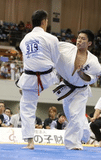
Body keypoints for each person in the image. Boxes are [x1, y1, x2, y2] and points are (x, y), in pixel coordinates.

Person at [16, 10, 60, 149]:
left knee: (27, 109)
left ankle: (30, 142)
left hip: (29, 79)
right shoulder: (51, 38)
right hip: (49, 77)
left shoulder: (24, 41)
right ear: (44, 22)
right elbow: (57, 59)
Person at [54, 29, 101, 150]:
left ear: (89, 43)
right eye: (79, 38)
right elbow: (52, 46)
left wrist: (81, 74)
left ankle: (73, 144)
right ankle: (85, 133)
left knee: (75, 114)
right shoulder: (67, 47)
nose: (79, 41)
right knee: (72, 116)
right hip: (66, 87)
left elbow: (92, 78)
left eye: (83, 39)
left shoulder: (93, 61)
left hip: (80, 91)